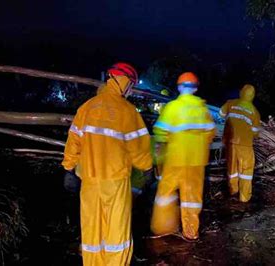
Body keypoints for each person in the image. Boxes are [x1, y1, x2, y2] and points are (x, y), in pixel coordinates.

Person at [62, 62, 153, 265]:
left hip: (90, 183)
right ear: (125, 82)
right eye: (131, 85)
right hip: (116, 182)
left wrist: (68, 169)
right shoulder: (128, 112)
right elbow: (139, 148)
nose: (130, 90)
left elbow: (73, 142)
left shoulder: (86, 108)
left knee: (92, 232)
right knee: (117, 235)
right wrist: (147, 169)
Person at [150, 72, 215, 240]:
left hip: (175, 159)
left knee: (165, 192)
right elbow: (210, 132)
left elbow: (160, 132)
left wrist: (160, 152)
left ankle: (163, 228)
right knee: (192, 199)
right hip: (196, 161)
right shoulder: (202, 108)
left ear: (179, 87)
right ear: (195, 88)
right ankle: (191, 232)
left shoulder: (173, 107)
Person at [219, 84, 261, 202]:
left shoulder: (231, 103)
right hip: (245, 145)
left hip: (230, 143)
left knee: (232, 170)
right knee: (246, 171)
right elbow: (256, 133)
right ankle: (244, 198)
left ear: (241, 92)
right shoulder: (255, 112)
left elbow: (220, 114)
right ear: (252, 96)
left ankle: (233, 191)